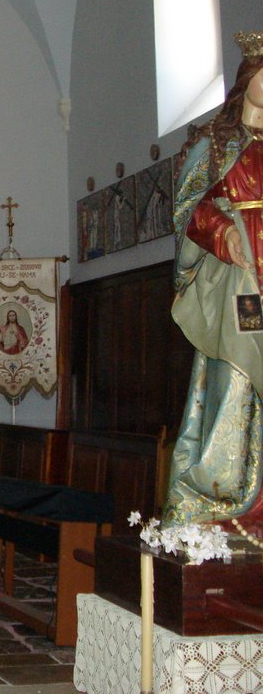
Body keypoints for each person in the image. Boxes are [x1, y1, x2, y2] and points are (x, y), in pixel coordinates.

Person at [164, 31, 263, 535]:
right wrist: (226, 232)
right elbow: (187, 211)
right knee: (235, 379)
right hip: (238, 282)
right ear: (247, 80)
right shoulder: (217, 144)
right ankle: (219, 491)